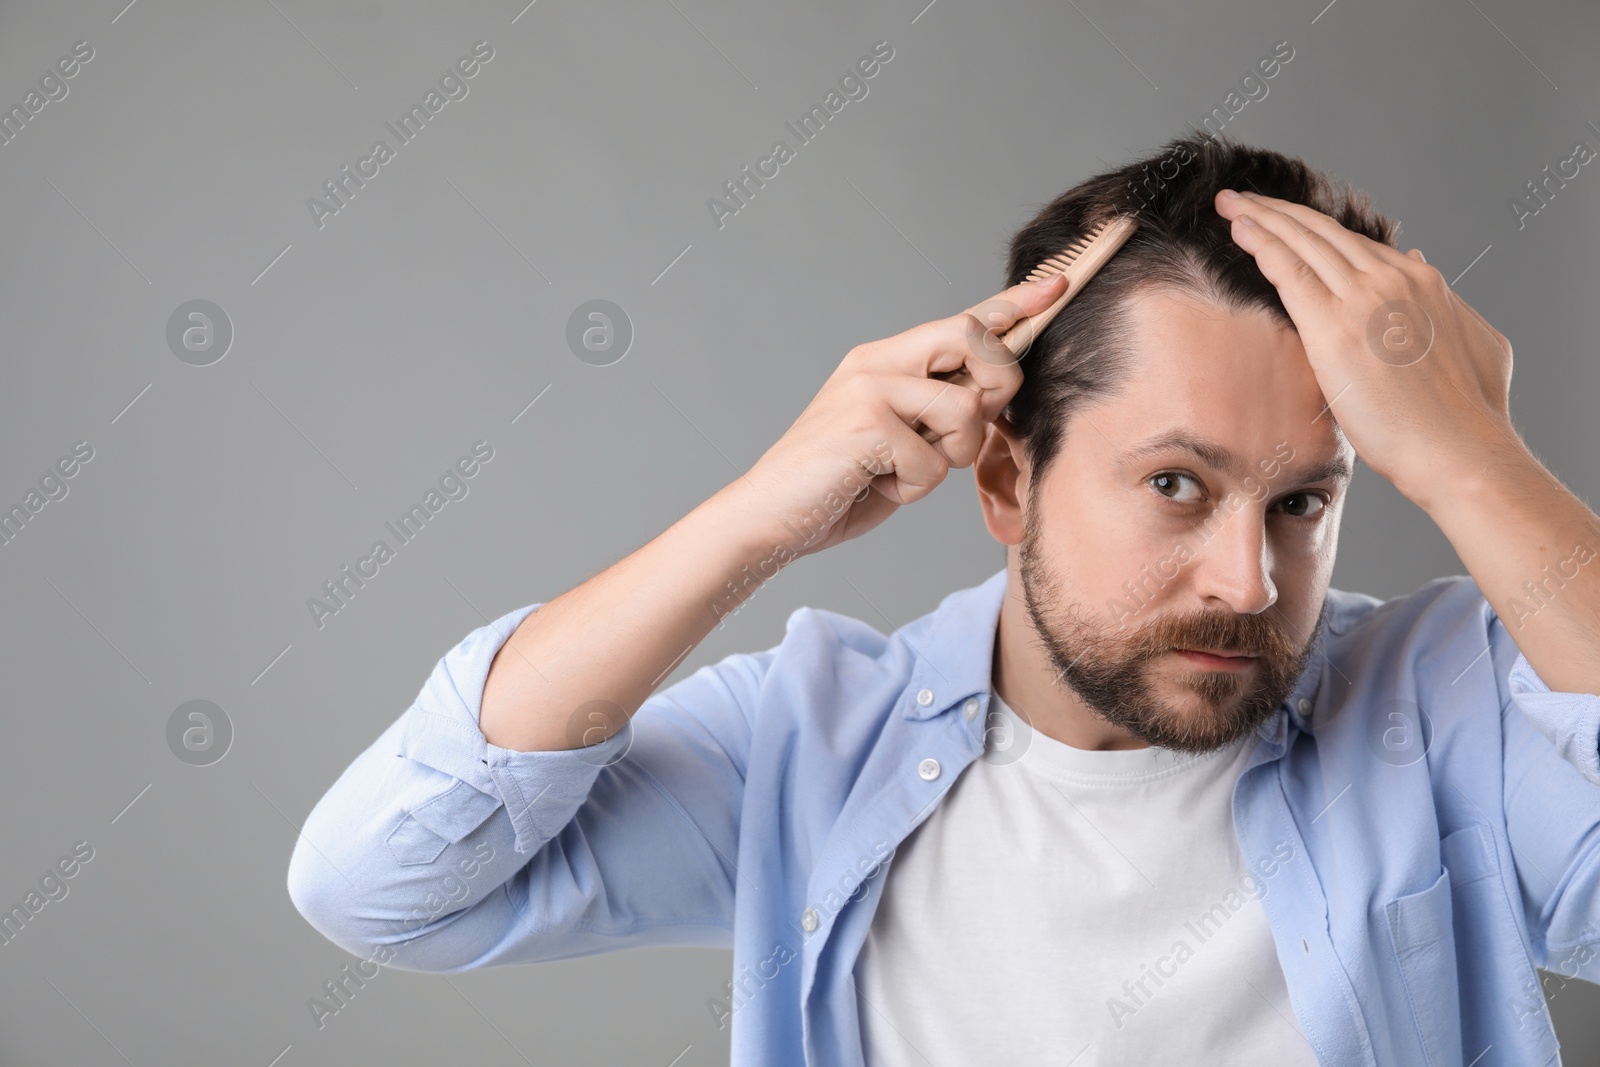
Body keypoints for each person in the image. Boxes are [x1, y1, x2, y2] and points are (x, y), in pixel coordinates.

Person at [287, 132, 1600, 1066]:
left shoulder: (1444, 711)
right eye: (1179, 487)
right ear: (1007, 480)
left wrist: (1472, 459)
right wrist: (754, 518)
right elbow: (389, 887)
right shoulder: (807, 746)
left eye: (1304, 501)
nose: (1247, 582)